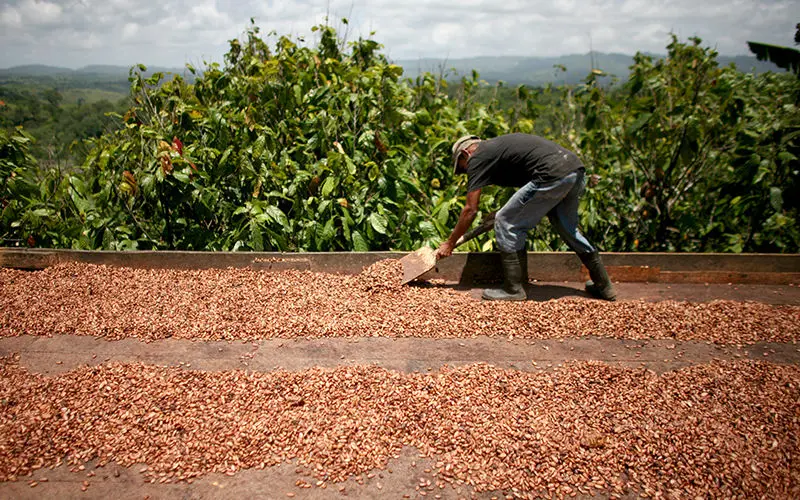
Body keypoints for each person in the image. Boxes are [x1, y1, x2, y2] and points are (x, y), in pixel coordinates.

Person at [435, 133, 616, 301]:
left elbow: (470, 210)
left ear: (465, 154)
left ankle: (513, 289)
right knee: (567, 229)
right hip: (573, 170)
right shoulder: (497, 150)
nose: (467, 172)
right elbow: (528, 196)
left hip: (552, 174)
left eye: (462, 168)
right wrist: (500, 212)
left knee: (506, 223)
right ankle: (604, 285)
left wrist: (450, 243)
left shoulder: (478, 157)